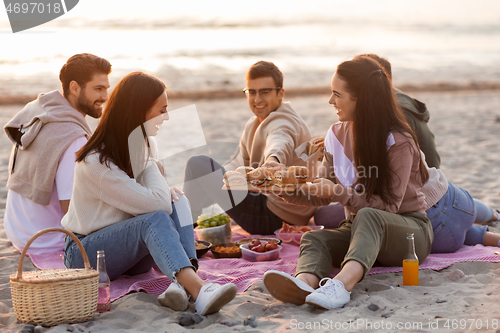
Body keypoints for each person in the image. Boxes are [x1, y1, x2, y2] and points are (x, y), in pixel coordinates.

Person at [263, 56, 433, 310]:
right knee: (314, 239)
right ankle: (304, 284)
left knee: (368, 215)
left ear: (360, 98)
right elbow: (321, 192)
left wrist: (341, 193)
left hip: (408, 233)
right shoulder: (336, 134)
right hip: (360, 233)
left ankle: (341, 285)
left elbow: (387, 207)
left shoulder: (399, 141)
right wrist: (284, 190)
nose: (331, 101)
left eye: (336, 94)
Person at [61, 71, 237, 315]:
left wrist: (162, 185)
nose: (166, 117)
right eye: (161, 110)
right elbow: (158, 205)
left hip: (127, 251)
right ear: (138, 112)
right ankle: (199, 291)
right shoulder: (95, 163)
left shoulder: (144, 143)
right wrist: (154, 169)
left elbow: (162, 200)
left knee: (179, 199)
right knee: (159, 213)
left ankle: (183, 283)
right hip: (86, 255)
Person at [314, 54, 500, 252]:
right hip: (432, 210)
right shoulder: (360, 123)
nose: (331, 100)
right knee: (326, 215)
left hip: (437, 202)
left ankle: (494, 216)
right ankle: (485, 226)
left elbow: (391, 199)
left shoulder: (392, 126)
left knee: (460, 217)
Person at [183, 61, 317, 235]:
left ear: (280, 94)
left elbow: (279, 141)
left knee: (198, 165)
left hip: (273, 217)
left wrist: (272, 160)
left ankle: (185, 232)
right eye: (251, 92)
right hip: (273, 208)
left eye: (265, 92)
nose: (257, 99)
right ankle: (185, 211)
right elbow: (235, 166)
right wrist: (203, 184)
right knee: (200, 180)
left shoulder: (284, 121)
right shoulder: (254, 124)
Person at [3, 53, 111, 255]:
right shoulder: (73, 138)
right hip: (48, 240)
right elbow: (71, 211)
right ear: (74, 87)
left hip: (18, 230)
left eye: (106, 88)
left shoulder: (38, 112)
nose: (105, 97)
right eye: (98, 89)